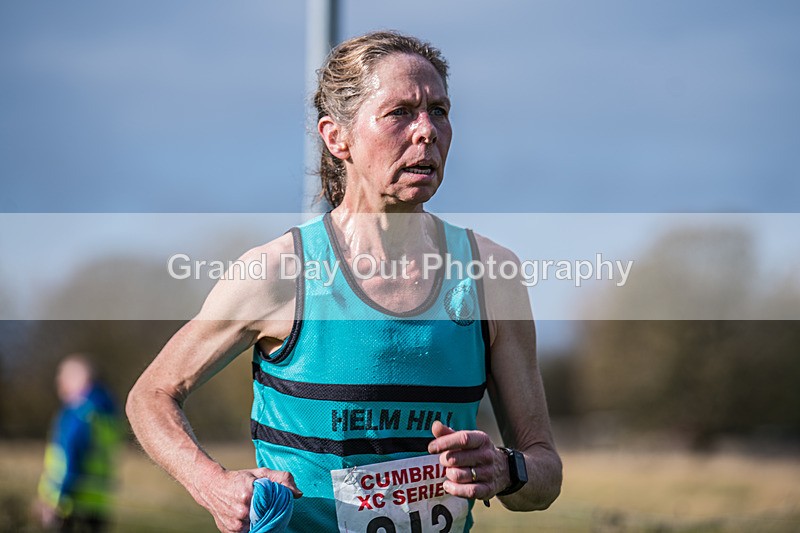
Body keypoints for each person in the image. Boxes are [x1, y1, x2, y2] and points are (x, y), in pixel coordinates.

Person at [127, 31, 562, 532]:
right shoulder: (277, 273)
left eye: (439, 111)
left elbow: (544, 476)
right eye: (400, 112)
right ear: (337, 138)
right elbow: (151, 395)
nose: (427, 131)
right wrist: (211, 485)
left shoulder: (492, 276)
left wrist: (508, 470)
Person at [36, 354, 121, 533]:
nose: (58, 381)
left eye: (62, 375)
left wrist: (58, 499)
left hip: (68, 505)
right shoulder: (108, 414)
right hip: (98, 504)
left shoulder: (78, 413)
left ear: (79, 378)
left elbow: (71, 457)